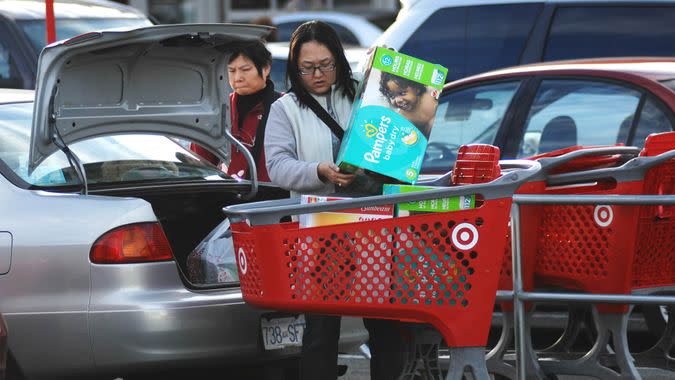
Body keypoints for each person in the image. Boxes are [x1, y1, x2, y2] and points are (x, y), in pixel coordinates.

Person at [264, 21, 409, 380]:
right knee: (321, 330)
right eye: (307, 67)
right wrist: (319, 171)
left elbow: (397, 140)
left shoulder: (364, 96)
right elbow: (277, 166)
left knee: (386, 325)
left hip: (374, 224)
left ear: (340, 61)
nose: (317, 74)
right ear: (295, 68)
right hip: (320, 231)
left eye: (326, 65)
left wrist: (394, 80)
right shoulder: (286, 109)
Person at [189, 39, 280, 181]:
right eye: (231, 70)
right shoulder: (218, 109)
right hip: (227, 194)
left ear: (266, 68)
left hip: (273, 195)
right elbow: (199, 163)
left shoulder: (284, 106)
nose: (238, 78)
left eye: (245, 70)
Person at [379, 72, 438, 139]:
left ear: (416, 88)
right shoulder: (403, 118)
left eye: (402, 93)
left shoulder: (431, 94)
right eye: (392, 96)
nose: (398, 100)